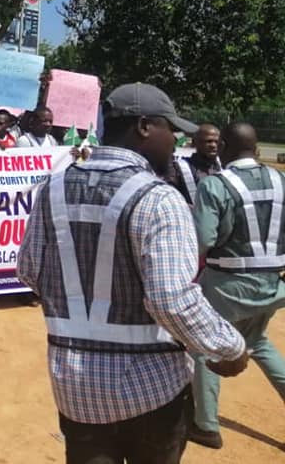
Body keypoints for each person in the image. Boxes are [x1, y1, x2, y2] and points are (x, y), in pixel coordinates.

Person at [17, 83, 249, 464]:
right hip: (151, 390)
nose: (176, 142)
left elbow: (28, 270)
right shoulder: (159, 198)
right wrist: (229, 348)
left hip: (75, 389)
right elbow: (172, 299)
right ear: (143, 127)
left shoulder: (51, 189)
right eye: (170, 130)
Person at [189, 122, 285, 450]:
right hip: (271, 284)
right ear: (256, 149)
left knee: (206, 347)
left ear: (223, 147)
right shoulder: (281, 179)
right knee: (257, 343)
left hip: (226, 286)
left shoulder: (215, 184)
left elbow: (204, 239)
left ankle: (206, 425)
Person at [169, 123, 222, 206]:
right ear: (194, 143)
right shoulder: (179, 168)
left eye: (217, 142)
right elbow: (170, 197)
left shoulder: (223, 167)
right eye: (208, 141)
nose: (213, 145)